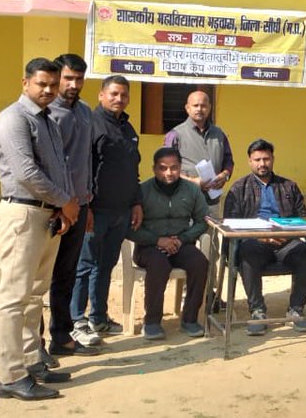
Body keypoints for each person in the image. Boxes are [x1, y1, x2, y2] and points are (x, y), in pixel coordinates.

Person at [0, 57, 78, 400]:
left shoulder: (47, 120)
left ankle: (31, 362)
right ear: (25, 82)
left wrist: (62, 208)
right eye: (42, 84)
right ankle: (11, 376)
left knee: (34, 294)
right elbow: (26, 172)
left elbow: (59, 169)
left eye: (53, 84)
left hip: (47, 214)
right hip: (23, 213)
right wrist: (65, 201)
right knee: (14, 297)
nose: (49, 90)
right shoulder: (13, 119)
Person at [71, 75, 143, 342]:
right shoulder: (90, 124)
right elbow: (81, 168)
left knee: (106, 265)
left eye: (123, 95)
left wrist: (136, 202)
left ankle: (98, 318)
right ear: (101, 95)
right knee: (85, 265)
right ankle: (76, 320)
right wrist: (86, 207)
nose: (119, 99)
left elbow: (133, 170)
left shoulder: (128, 129)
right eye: (113, 94)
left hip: (121, 211)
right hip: (95, 210)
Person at [41, 54, 101, 360]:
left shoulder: (86, 111)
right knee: (39, 279)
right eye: (68, 78)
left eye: (79, 79)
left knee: (66, 274)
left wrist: (87, 203)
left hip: (80, 206)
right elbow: (46, 166)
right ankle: (34, 346)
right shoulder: (46, 114)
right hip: (53, 209)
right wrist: (59, 206)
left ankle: (62, 337)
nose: (73, 84)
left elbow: (86, 160)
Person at [225, 138, 306, 335]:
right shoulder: (238, 189)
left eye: (266, 159)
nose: (262, 164)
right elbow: (231, 224)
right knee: (247, 251)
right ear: (250, 162)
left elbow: (304, 218)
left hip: (286, 242)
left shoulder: (289, 186)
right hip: (256, 243)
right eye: (257, 160)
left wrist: (286, 234)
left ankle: (296, 310)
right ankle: (258, 312)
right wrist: (261, 237)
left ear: (273, 159)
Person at [127, 147, 210, 340]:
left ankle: (190, 319)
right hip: (148, 247)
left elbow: (203, 221)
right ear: (154, 168)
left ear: (180, 167)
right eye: (163, 168)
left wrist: (182, 239)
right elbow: (129, 228)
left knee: (200, 262)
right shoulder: (142, 192)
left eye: (174, 167)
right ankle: (152, 322)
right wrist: (157, 240)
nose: (169, 173)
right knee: (159, 264)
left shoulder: (192, 190)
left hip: (180, 244)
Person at [164, 90, 234, 219]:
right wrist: (193, 181)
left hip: (212, 202)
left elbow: (228, 161)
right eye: (195, 105)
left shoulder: (219, 134)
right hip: (184, 202)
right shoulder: (175, 135)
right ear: (187, 108)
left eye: (203, 106)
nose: (199, 109)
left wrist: (224, 175)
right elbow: (165, 168)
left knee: (211, 232)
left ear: (209, 108)